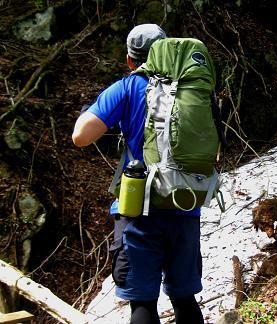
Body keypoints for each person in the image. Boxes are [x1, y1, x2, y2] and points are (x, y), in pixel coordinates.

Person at [72, 24, 204, 324]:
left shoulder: (127, 87)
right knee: (184, 298)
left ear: (131, 60)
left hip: (139, 208)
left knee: (142, 301)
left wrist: (87, 112)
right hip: (185, 203)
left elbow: (80, 137)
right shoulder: (193, 88)